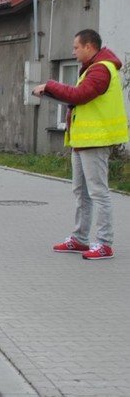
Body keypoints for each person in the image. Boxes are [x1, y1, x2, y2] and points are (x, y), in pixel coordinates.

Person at [33, 29, 128, 260]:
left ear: (89, 46)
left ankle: (104, 243)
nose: (73, 51)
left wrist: (50, 85)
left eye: (76, 47)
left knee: (98, 192)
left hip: (96, 140)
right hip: (82, 141)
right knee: (81, 192)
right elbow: (76, 99)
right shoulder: (92, 68)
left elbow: (80, 95)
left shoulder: (101, 69)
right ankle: (80, 239)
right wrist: (51, 92)